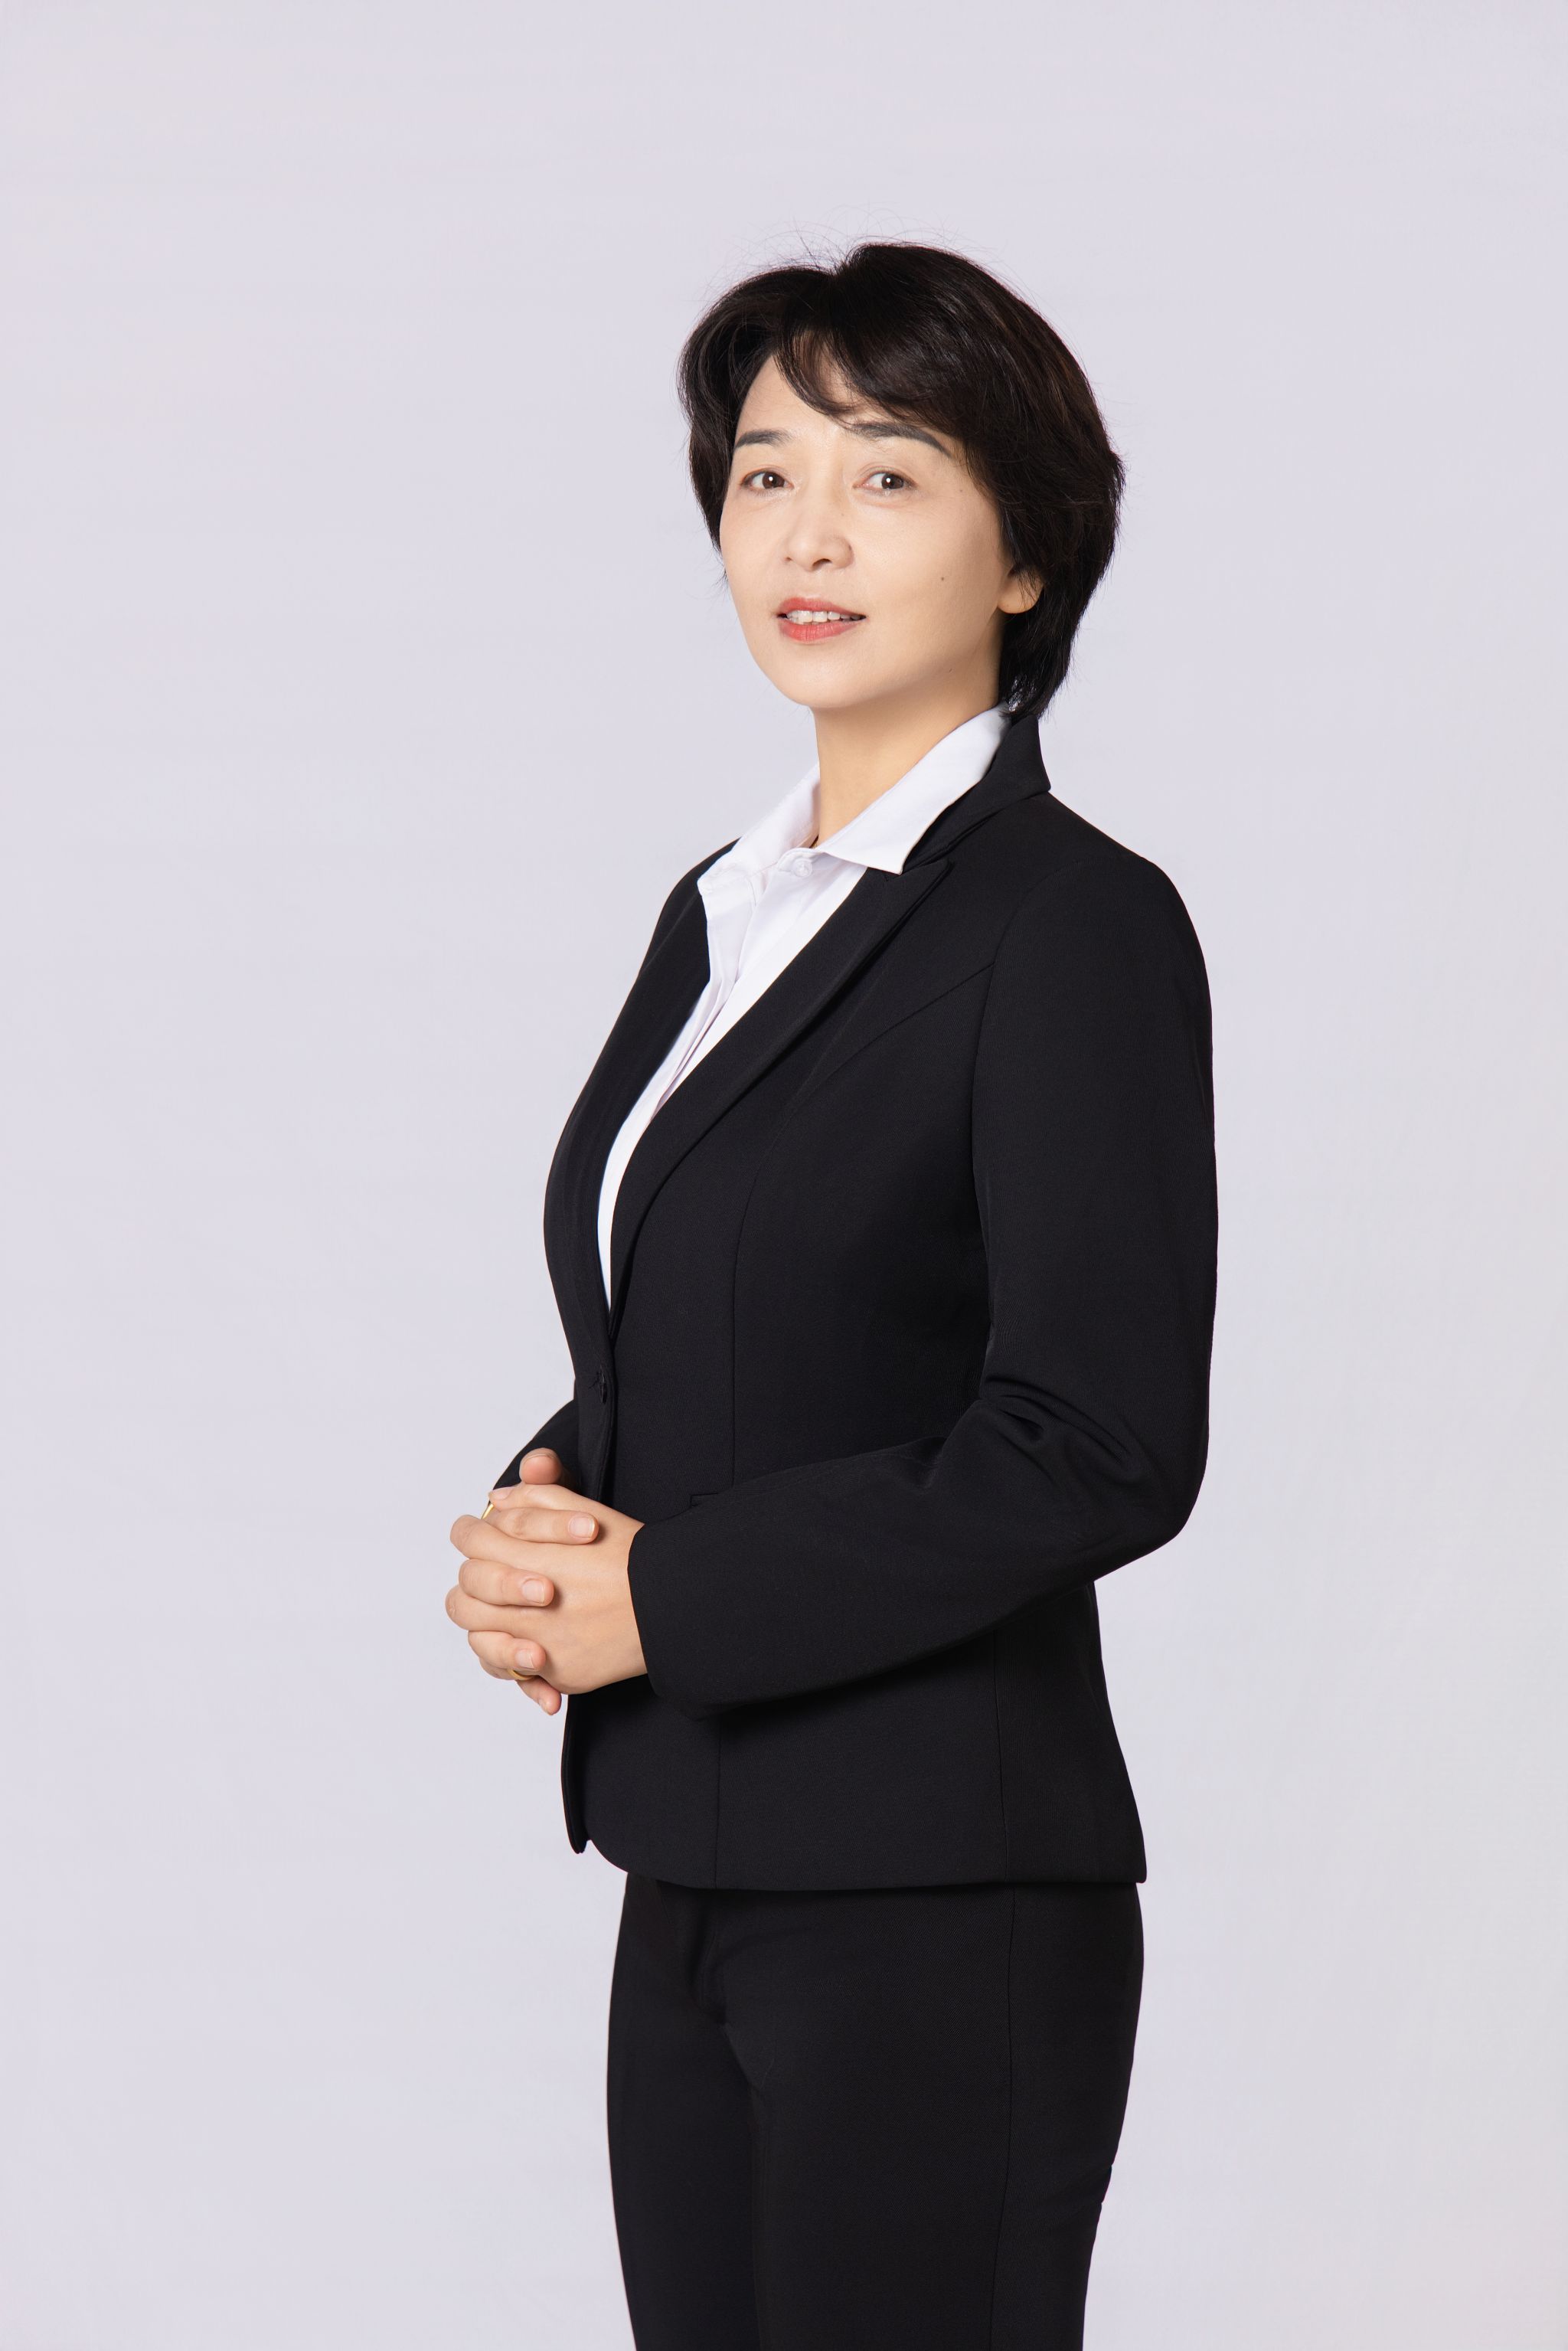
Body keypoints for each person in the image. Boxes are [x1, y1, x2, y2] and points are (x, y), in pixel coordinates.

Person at [443, 240, 1217, 2350]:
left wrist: (666, 1598)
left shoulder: (1072, 924)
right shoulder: (727, 912)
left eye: (887, 475)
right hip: (693, 1863)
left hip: (937, 1896)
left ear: (1027, 555)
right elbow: (740, 1312)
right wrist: (555, 1511)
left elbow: (1096, 1441)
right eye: (765, 473)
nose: (806, 531)